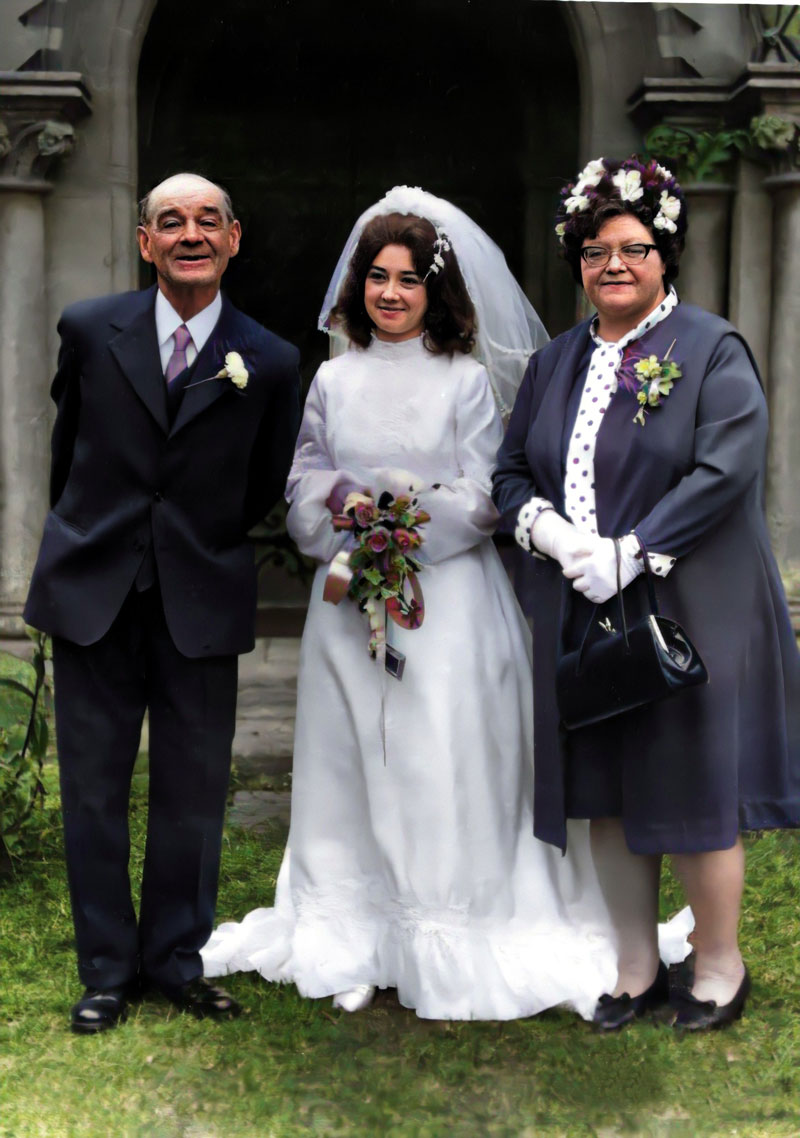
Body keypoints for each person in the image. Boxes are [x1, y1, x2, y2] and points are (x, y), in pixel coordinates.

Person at [202, 185, 625, 1021]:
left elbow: (483, 494)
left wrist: (404, 523)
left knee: (434, 754)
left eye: (407, 280)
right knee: (350, 756)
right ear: (358, 286)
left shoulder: (464, 382)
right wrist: (344, 511)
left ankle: (438, 925)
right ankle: (351, 930)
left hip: (448, 604)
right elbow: (302, 479)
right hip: (347, 602)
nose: (389, 294)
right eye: (377, 278)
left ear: (436, 293)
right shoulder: (333, 378)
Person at [493, 156, 800, 1032]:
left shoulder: (711, 348)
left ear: (664, 254)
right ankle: (634, 967)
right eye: (595, 252)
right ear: (578, 263)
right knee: (607, 787)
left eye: (632, 249)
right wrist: (549, 534)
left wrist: (633, 550)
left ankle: (717, 965)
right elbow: (512, 471)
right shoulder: (556, 362)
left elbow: (726, 466)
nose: (613, 266)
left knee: (696, 786)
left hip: (689, 601)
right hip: (583, 613)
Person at [24, 173, 301, 1033]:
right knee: (96, 789)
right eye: (170, 222)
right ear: (145, 242)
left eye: (207, 221)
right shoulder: (88, 328)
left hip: (199, 593)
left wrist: (196, 542)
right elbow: (69, 446)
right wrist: (96, 534)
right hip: (94, 586)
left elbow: (266, 481)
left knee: (192, 788)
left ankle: (177, 960)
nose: (190, 234)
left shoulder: (271, 359)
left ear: (233, 238)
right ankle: (106, 970)